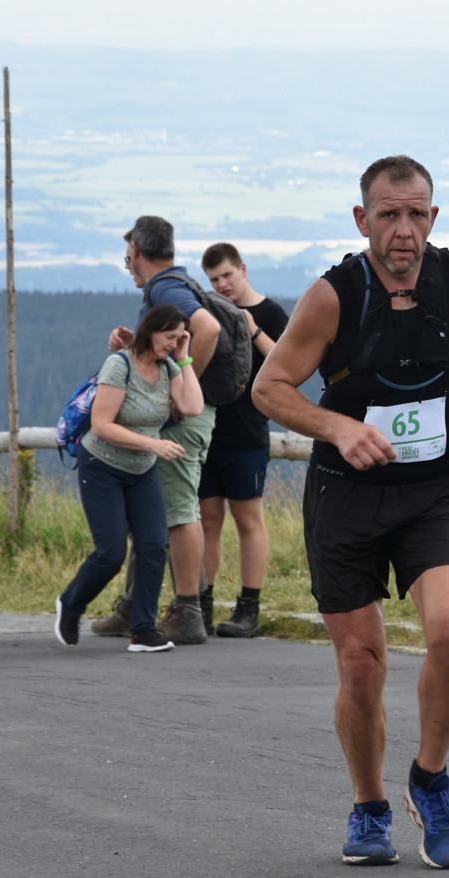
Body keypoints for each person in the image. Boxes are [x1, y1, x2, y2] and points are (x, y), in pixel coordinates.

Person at [252, 155, 449, 868]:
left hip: (433, 491)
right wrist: (338, 427)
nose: (404, 230)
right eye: (389, 214)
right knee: (362, 667)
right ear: (362, 219)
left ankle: (430, 779)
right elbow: (270, 388)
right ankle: (369, 806)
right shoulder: (332, 298)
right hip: (347, 494)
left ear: (434, 216)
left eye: (417, 213)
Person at [90, 215, 221, 645]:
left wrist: (178, 389)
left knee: (179, 511)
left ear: (137, 252)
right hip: (182, 415)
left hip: (180, 418)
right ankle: (135, 606)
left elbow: (208, 328)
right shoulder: (175, 284)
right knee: (151, 509)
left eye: (127, 256)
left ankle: (187, 611)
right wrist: (137, 344)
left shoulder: (164, 287)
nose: (127, 264)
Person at [54, 303, 203, 652]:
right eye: (169, 336)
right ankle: (70, 605)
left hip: (141, 469)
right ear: (151, 331)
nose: (173, 343)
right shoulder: (119, 365)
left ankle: (143, 631)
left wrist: (184, 357)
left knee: (153, 547)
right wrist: (153, 444)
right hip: (101, 466)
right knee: (112, 552)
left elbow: (193, 406)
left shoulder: (169, 367)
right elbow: (101, 425)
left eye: (179, 337)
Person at [197, 242, 289, 637]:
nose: (222, 285)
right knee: (207, 521)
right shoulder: (208, 314)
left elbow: (286, 362)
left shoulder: (271, 313)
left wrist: (251, 329)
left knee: (248, 520)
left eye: (227, 275)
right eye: (214, 279)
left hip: (248, 433)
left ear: (243, 269)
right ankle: (199, 605)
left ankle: (249, 609)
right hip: (207, 432)